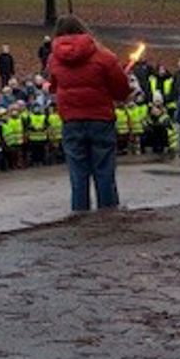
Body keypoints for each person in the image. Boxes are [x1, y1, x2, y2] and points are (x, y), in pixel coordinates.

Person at [46, 16, 130, 212]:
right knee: (104, 171)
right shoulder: (105, 57)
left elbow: (54, 86)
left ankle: (80, 213)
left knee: (77, 173)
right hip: (100, 118)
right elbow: (121, 90)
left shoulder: (54, 59)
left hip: (71, 119)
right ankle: (108, 212)